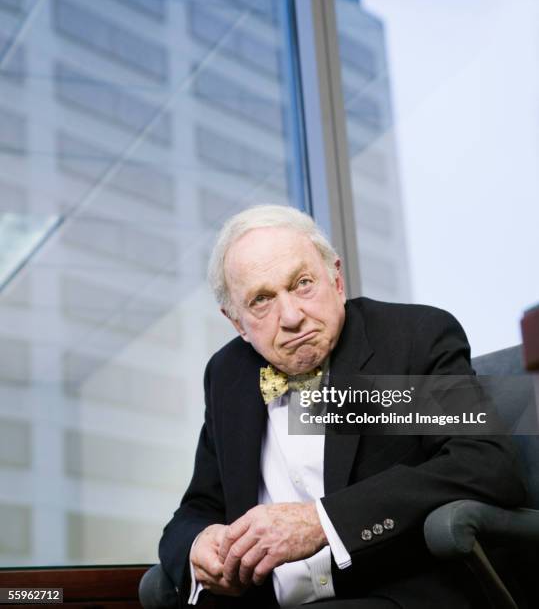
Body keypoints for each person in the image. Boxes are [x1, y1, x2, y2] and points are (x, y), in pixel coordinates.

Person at [159, 205, 525, 609]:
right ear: (236, 323)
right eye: (261, 299)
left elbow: (484, 462)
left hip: (390, 593)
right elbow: (198, 507)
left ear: (336, 279)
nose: (292, 316)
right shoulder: (228, 377)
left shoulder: (410, 341)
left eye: (302, 283)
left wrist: (321, 522)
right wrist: (196, 546)